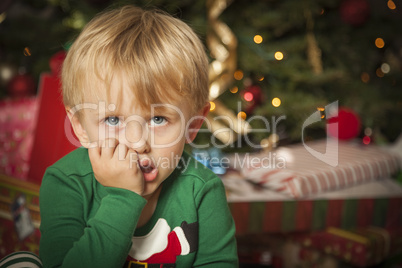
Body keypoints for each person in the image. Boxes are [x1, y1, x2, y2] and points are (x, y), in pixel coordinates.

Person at [39, 5, 238, 268]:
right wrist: (123, 197)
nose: (137, 143)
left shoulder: (202, 190)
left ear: (192, 126)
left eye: (158, 119)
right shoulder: (66, 183)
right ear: (80, 128)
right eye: (112, 119)